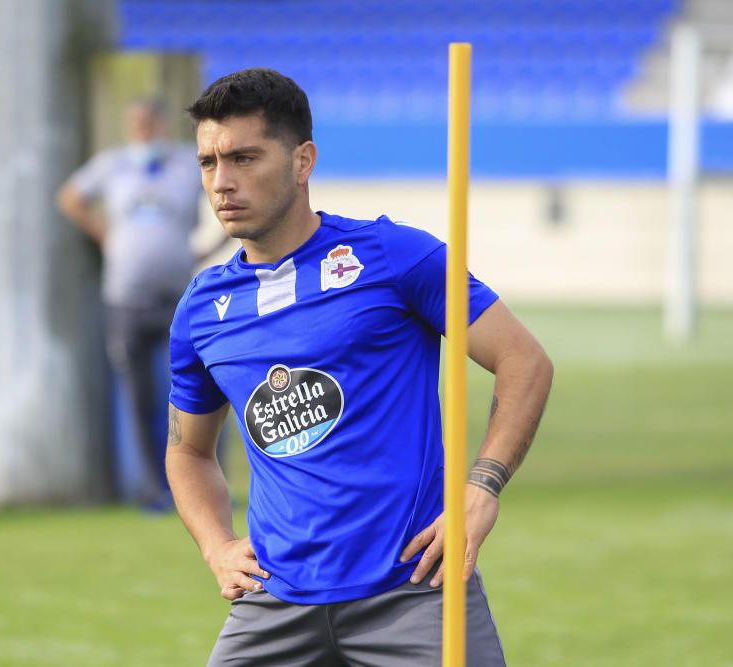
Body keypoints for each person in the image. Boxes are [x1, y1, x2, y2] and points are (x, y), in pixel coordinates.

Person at [165, 68, 554, 666]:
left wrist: (481, 489)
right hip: (274, 602)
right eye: (209, 163)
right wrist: (217, 546)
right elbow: (188, 451)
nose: (222, 183)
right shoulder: (201, 311)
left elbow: (524, 362)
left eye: (244, 158)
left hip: (414, 592)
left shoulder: (395, 257)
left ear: (302, 161)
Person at [57, 98, 203, 509]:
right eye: (135, 124)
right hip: (126, 298)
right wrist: (105, 236)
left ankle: (194, 485)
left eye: (148, 123)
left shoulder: (187, 165)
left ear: (161, 124)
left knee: (192, 396)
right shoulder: (114, 164)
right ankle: (153, 487)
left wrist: (208, 248)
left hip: (178, 296)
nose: (142, 131)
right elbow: (70, 196)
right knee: (139, 400)